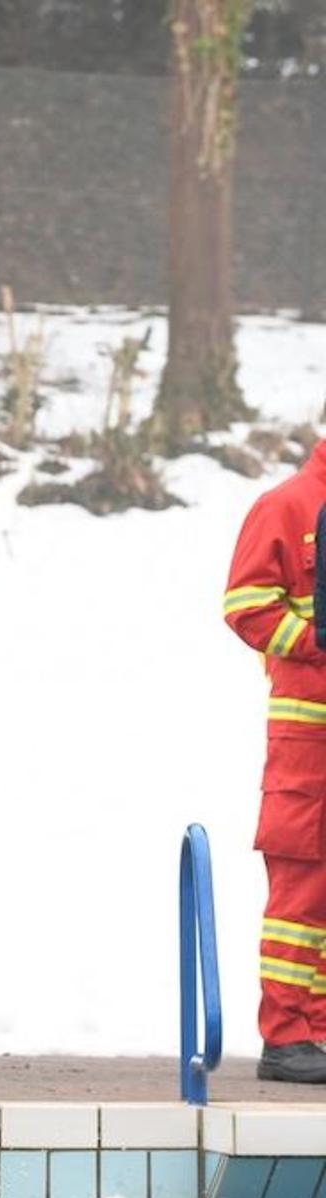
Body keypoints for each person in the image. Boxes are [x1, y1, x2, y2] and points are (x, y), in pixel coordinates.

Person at [223, 436, 326, 1084]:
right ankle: (287, 1036)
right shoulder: (287, 504)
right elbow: (245, 604)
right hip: (308, 735)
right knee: (301, 889)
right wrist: (317, 644)